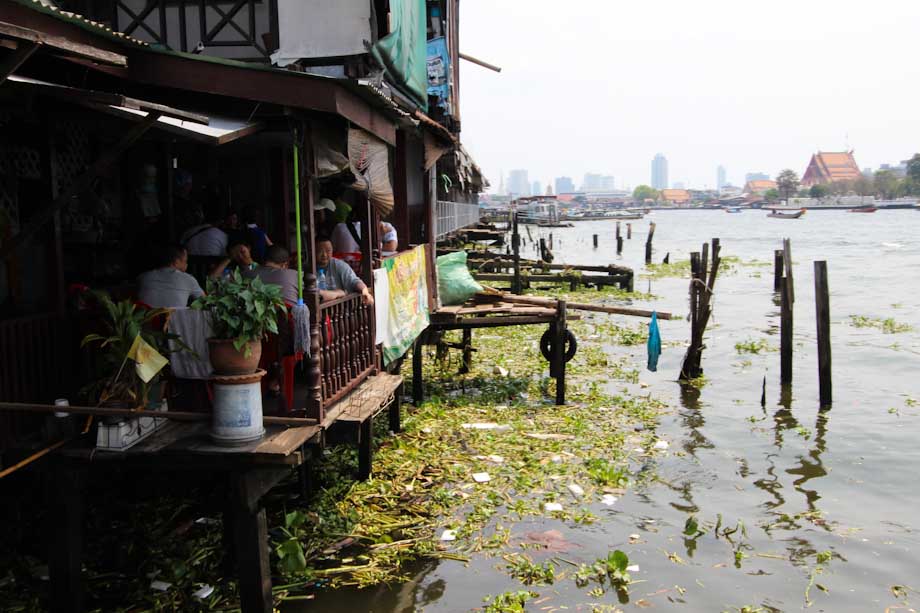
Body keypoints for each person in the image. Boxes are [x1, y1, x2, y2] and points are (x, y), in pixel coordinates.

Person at [136, 244, 205, 308]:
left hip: (146, 320)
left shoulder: (142, 277)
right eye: (185, 261)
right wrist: (183, 275)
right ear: (176, 262)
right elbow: (206, 301)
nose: (186, 264)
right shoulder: (188, 279)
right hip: (174, 320)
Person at [316, 237, 373, 305]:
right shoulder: (307, 268)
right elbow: (319, 295)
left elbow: (354, 281)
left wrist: (365, 292)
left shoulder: (338, 265)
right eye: (320, 251)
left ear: (332, 251)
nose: (324, 255)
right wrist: (339, 293)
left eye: (328, 251)